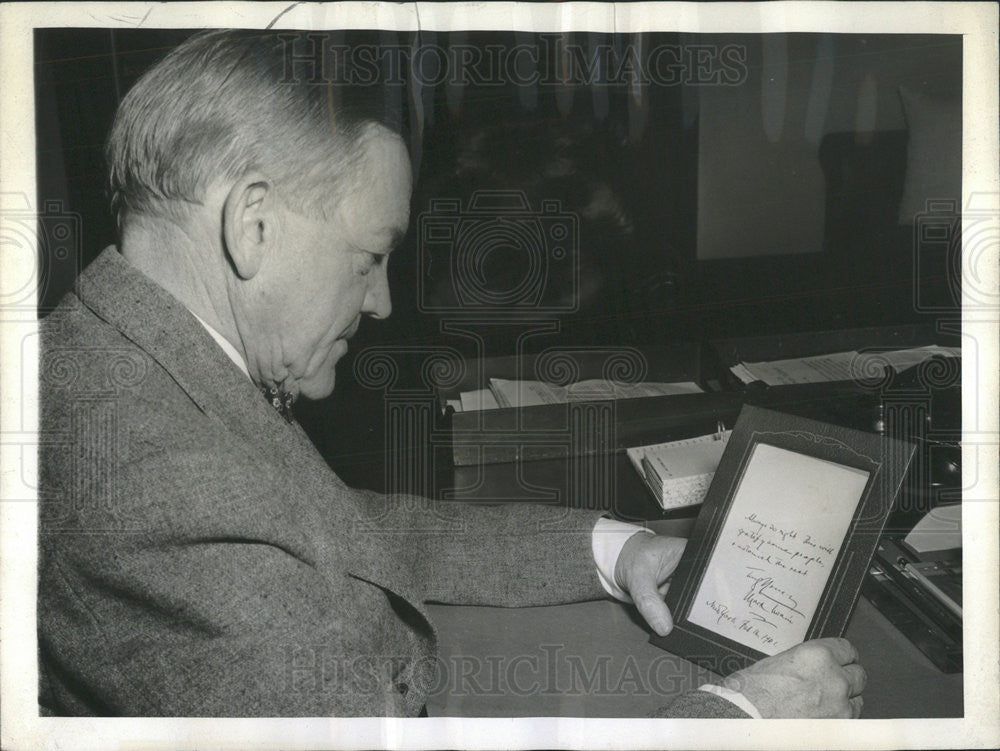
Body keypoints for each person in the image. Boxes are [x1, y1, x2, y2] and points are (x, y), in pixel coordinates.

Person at [38, 29, 865, 719]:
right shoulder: (149, 478)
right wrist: (746, 718)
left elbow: (341, 533)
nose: (384, 299)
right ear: (252, 225)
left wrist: (614, 548)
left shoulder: (137, 362)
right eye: (370, 255)